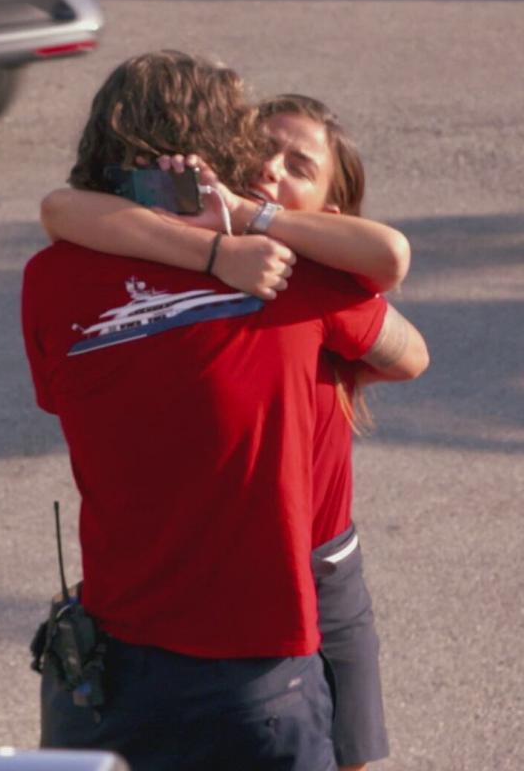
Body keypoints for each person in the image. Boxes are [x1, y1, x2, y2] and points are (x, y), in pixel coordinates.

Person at [23, 51, 428, 771]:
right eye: (257, 148)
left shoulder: (49, 276)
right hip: (262, 661)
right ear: (212, 158)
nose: (267, 167)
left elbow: (60, 212)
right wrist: (235, 253)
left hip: (129, 651)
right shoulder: (291, 277)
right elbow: (405, 343)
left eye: (295, 165)